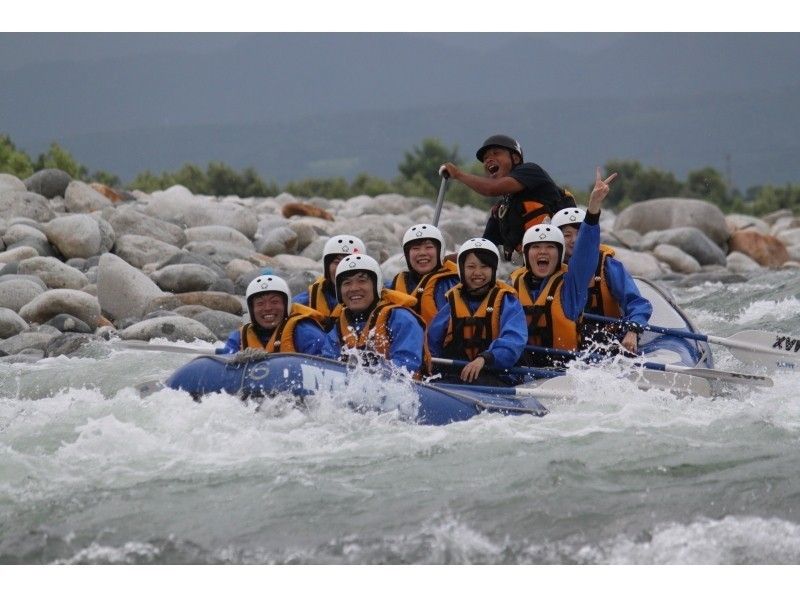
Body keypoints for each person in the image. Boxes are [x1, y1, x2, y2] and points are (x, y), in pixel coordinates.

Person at [509, 168, 617, 366]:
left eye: (550, 247)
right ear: (526, 254)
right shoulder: (511, 288)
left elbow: (584, 254)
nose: (542, 252)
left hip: (565, 372)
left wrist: (593, 209)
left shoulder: (571, 287)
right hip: (523, 371)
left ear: (559, 254)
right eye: (536, 247)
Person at [440, 134, 575, 261]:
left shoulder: (531, 171)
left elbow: (491, 188)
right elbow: (482, 250)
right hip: (539, 266)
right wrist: (440, 259)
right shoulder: (502, 210)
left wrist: (458, 174)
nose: (488, 160)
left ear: (515, 158)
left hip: (569, 259)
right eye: (485, 158)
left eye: (496, 153)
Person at [427, 238, 528, 385]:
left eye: (484, 267)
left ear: (494, 270)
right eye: (471, 267)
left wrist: (485, 358)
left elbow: (514, 340)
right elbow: (432, 343)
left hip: (495, 376)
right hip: (456, 376)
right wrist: (428, 360)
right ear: (462, 269)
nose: (478, 273)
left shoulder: (508, 303)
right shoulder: (451, 304)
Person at [551, 206, 652, 353]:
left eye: (580, 234)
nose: (574, 240)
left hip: (607, 342)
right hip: (566, 346)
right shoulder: (547, 269)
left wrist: (633, 330)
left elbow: (637, 303)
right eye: (567, 235)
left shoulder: (606, 266)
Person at [328, 253, 429, 377]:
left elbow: (406, 366)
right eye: (347, 283)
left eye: (362, 281)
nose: (354, 288)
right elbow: (327, 360)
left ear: (376, 285)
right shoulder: (340, 325)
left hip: (408, 391)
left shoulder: (401, 319)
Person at [218, 273, 336, 358]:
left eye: (274, 302)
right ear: (251, 309)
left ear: (286, 305)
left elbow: (325, 366)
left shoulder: (306, 332)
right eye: (260, 303)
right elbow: (223, 364)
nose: (268, 308)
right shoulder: (239, 338)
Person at [387, 223, 459, 326]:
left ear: (440, 251)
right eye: (415, 248)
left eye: (429, 247)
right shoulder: (397, 283)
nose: (422, 253)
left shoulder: (453, 283)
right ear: (407, 255)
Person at [292, 234, 367, 331]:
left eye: (349, 262)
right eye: (337, 262)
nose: (343, 268)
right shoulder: (304, 302)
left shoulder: (377, 297)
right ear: (327, 268)